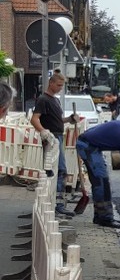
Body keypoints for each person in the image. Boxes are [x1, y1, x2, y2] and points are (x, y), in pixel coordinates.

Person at [31, 72, 75, 217]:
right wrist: (43, 131)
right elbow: (35, 119)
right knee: (59, 169)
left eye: (62, 85)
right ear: (51, 83)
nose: (60, 88)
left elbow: (56, 120)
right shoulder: (43, 99)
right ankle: (58, 203)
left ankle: (57, 202)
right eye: (58, 85)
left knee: (58, 169)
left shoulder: (54, 100)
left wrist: (69, 119)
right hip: (52, 138)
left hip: (57, 136)